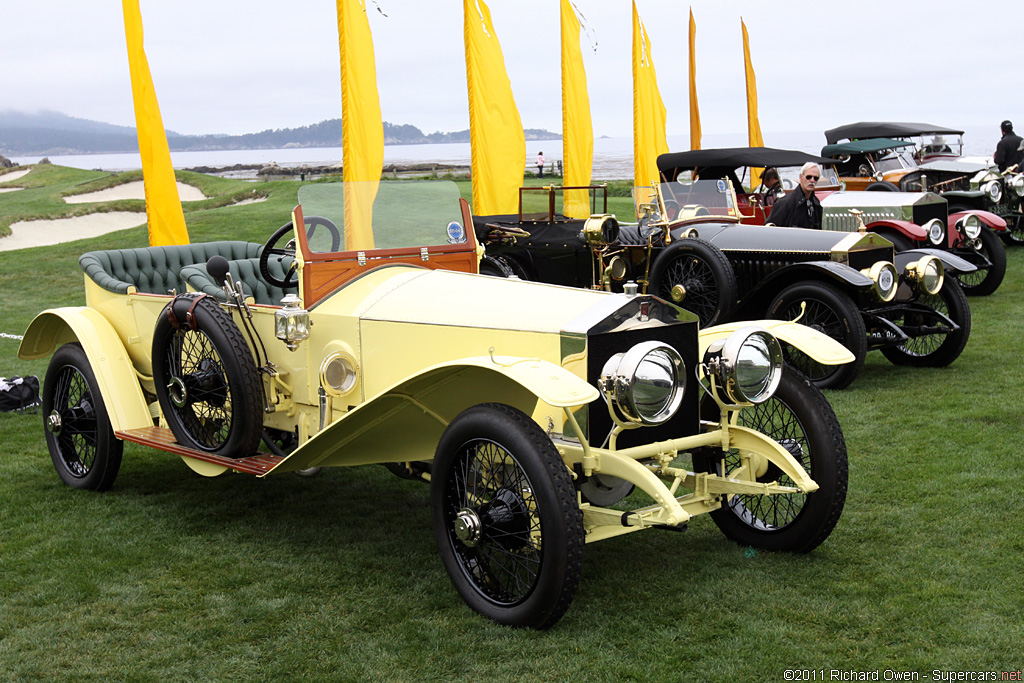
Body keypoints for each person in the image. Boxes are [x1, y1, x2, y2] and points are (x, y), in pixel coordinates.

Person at [767, 162, 822, 229]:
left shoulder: (816, 202)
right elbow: (769, 227)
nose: (812, 180)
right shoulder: (785, 203)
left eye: (815, 178)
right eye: (809, 177)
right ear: (801, 177)